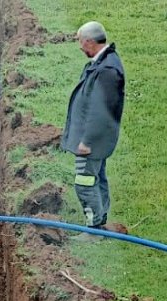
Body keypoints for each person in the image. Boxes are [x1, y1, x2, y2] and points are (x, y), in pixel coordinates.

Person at [60, 21, 125, 228]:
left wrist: (86, 141)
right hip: (96, 139)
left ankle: (94, 228)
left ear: (89, 42)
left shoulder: (106, 71)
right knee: (98, 178)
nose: (80, 47)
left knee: (85, 183)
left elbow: (101, 113)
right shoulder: (103, 63)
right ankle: (101, 220)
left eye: (80, 42)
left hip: (92, 142)